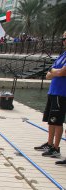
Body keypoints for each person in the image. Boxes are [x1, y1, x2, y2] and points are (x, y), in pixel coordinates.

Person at [34, 31, 66, 161]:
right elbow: (49, 75)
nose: (64, 41)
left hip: (62, 93)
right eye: (63, 39)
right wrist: (55, 72)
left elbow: (61, 72)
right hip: (53, 92)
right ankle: (49, 143)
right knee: (50, 120)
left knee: (57, 121)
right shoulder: (63, 55)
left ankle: (56, 148)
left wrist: (54, 71)